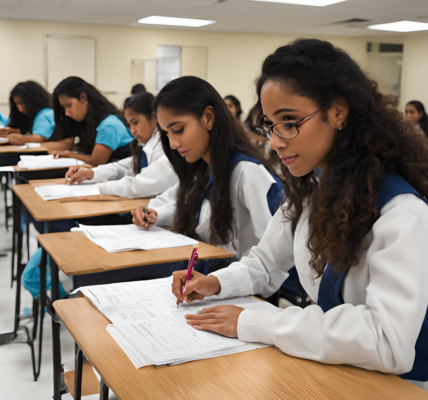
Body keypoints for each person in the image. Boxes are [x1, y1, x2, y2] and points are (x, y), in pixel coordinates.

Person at [172, 39, 428, 390]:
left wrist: (259, 323)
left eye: (289, 121)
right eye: (269, 125)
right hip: (333, 367)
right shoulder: (310, 190)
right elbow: (265, 263)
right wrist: (216, 284)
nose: (275, 141)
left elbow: (385, 341)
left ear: (338, 113)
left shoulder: (402, 215)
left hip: (398, 386)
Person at [132, 76, 283, 265]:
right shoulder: (202, 167)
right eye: (166, 134)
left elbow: (272, 258)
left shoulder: (247, 173)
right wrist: (152, 212)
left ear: (208, 118)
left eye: (178, 129)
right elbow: (177, 201)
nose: (172, 144)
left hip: (239, 284)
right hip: (209, 275)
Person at [63, 91, 178, 198]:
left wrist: (98, 188)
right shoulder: (147, 144)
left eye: (135, 122)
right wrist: (92, 173)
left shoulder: (163, 148)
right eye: (130, 124)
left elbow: (140, 184)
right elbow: (124, 167)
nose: (133, 130)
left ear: (154, 118)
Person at [49, 77, 134, 166]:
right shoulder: (88, 123)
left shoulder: (109, 125)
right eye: (64, 108)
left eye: (68, 105)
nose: (66, 113)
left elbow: (97, 161)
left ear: (83, 97)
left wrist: (71, 155)